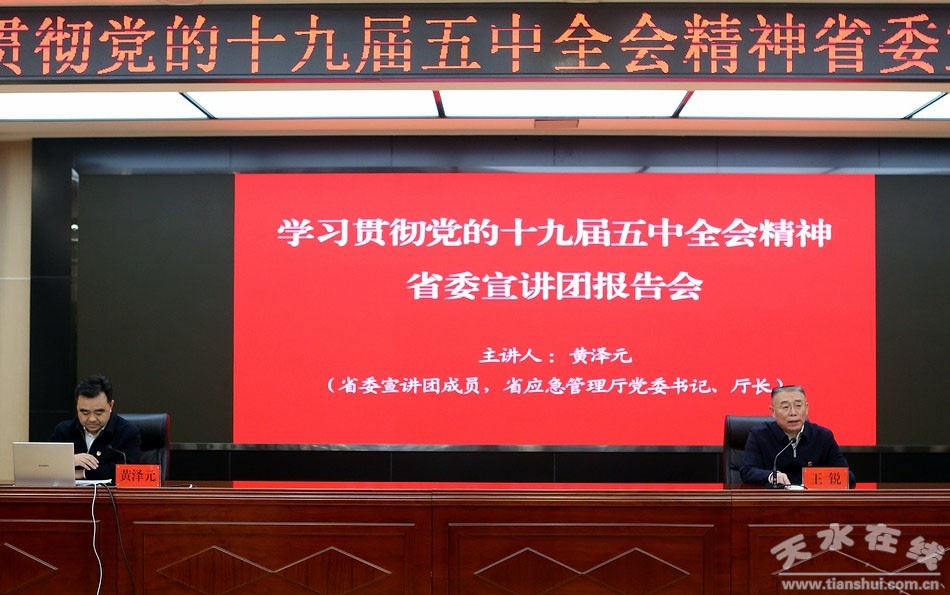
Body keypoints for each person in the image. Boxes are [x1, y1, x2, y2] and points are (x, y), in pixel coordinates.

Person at [740, 384, 855, 488]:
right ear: (773, 411)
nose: (793, 413)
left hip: (812, 501)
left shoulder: (823, 436)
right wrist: (771, 476)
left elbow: (848, 476)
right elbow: (747, 471)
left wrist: (818, 478)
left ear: (807, 408)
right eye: (785, 407)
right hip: (775, 500)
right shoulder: (760, 435)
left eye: (798, 406)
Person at [50, 374, 142, 481]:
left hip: (109, 491)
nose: (92, 419)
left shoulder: (127, 432)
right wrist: (69, 461)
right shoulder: (63, 431)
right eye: (85, 412)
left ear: (111, 406)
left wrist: (83, 473)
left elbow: (129, 471)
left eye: (99, 412)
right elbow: (44, 465)